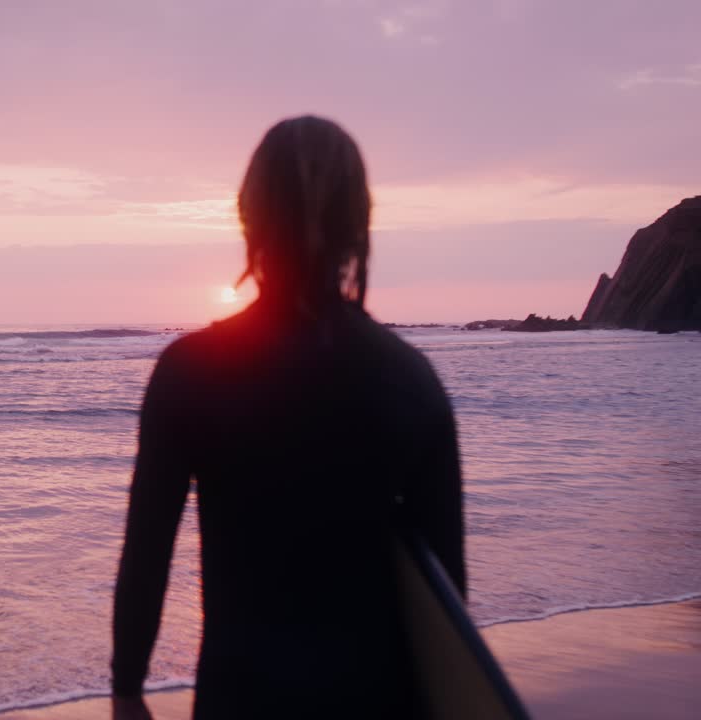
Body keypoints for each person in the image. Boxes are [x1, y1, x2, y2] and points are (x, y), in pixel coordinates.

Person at [110, 116, 465, 718]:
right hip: (380, 700)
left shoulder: (191, 371)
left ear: (249, 215)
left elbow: (147, 556)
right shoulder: (413, 380)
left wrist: (127, 693)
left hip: (242, 698)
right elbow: (448, 599)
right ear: (359, 225)